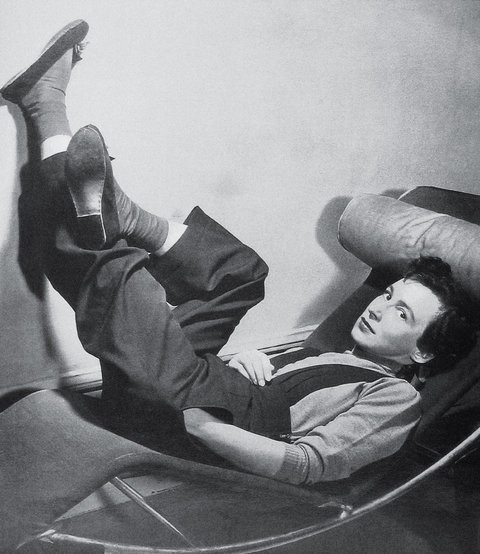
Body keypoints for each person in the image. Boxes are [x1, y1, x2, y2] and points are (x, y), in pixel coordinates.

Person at [2, 20, 477, 486]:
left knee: (125, 277)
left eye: (402, 313)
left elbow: (307, 464)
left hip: (191, 414)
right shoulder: (344, 358)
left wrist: (203, 424)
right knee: (244, 273)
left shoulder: (398, 399)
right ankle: (123, 215)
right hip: (210, 384)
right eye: (390, 294)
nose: (379, 306)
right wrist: (248, 364)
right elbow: (278, 396)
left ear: (422, 350)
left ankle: (50, 107)